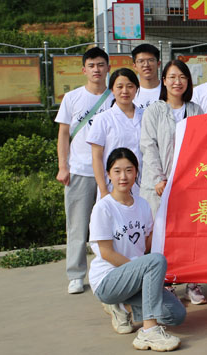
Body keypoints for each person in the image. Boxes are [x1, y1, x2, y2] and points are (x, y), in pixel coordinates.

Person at [89, 147, 185, 351]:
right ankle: (149, 332)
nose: (123, 177)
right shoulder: (103, 208)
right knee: (155, 261)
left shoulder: (142, 205)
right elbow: (106, 253)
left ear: (136, 173)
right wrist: (140, 272)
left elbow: (146, 245)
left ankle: (123, 306)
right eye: (117, 171)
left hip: (134, 277)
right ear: (108, 174)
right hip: (108, 279)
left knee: (176, 314)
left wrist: (164, 221)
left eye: (129, 170)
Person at [140, 60, 207, 306]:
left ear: (188, 81)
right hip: (160, 186)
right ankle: (167, 283)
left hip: (190, 186)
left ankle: (192, 282)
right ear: (164, 81)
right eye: (172, 77)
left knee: (191, 236)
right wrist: (160, 178)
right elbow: (148, 146)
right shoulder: (154, 111)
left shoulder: (196, 110)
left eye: (182, 77)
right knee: (162, 236)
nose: (177, 82)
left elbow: (205, 145)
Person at [55, 47, 113, 294]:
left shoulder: (115, 96)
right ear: (84, 70)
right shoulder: (72, 98)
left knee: (111, 225)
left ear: (108, 67)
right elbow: (63, 134)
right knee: (77, 226)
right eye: (91, 66)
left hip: (111, 174)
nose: (96, 70)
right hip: (79, 171)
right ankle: (76, 274)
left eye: (100, 65)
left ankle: (111, 269)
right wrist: (63, 166)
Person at [88, 68, 144, 200]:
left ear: (136, 88)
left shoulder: (146, 116)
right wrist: (103, 190)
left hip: (143, 185)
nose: (125, 91)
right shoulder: (102, 119)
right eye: (119, 87)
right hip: (113, 186)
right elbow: (96, 158)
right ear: (112, 90)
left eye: (130, 86)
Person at [132, 44, 162, 109]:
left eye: (151, 60)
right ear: (134, 66)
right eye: (141, 61)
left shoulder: (168, 90)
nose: (146, 65)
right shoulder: (130, 92)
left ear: (158, 64)